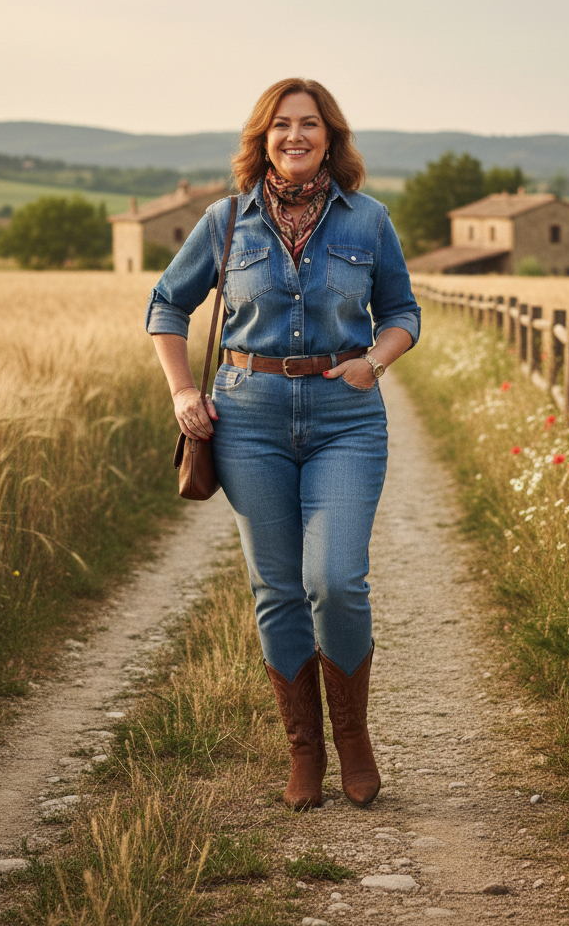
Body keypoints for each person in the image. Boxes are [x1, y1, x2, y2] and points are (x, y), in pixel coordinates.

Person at [146, 78, 420, 810]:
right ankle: (305, 752)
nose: (293, 136)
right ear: (261, 137)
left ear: (330, 136)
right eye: (279, 125)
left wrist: (377, 360)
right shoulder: (225, 219)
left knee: (334, 580)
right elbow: (166, 305)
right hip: (248, 420)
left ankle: (353, 738)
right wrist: (181, 392)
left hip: (345, 416)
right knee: (277, 588)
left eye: (308, 124)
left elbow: (401, 312)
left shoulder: (368, 221)